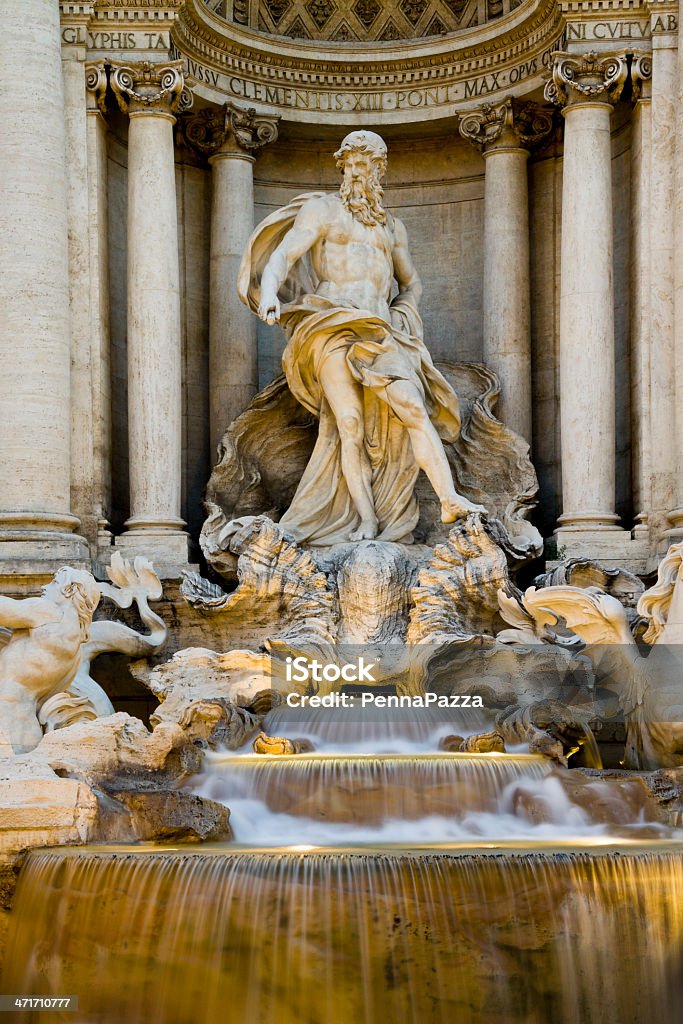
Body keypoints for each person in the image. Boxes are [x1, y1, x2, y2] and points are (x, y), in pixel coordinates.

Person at [238, 129, 484, 545]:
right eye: (350, 165)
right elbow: (285, 253)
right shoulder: (323, 210)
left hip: (380, 330)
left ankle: (449, 499)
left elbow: (412, 283)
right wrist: (269, 293)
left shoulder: (392, 228)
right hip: (330, 324)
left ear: (378, 171)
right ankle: (366, 522)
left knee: (412, 407)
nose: (356, 173)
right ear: (342, 167)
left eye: (365, 166)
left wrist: (405, 311)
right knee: (347, 423)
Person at [0, 567, 100, 752]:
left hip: (4, 721)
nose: (45, 586)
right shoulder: (76, 646)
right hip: (27, 727)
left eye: (54, 583)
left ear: (69, 589)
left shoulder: (48, 612)